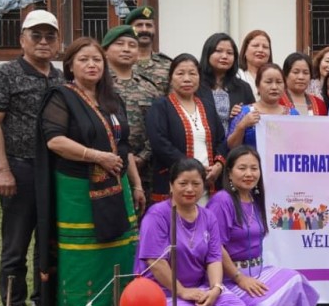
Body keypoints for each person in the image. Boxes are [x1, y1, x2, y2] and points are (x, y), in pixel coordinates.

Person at [37, 38, 143, 306]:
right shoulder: (61, 96)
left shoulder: (112, 99)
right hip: (77, 190)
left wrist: (136, 184)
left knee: (121, 249)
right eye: (84, 59)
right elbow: (55, 141)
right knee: (86, 255)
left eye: (97, 59)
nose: (92, 65)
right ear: (70, 66)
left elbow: (124, 146)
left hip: (118, 184)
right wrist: (96, 156)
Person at [0, 10, 64, 306]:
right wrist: (3, 170)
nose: (43, 41)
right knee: (16, 243)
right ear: (22, 40)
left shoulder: (60, 78)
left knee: (49, 240)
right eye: (36, 35)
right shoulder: (4, 75)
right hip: (20, 167)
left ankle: (42, 302)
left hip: (55, 170)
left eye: (50, 36)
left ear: (58, 42)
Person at [135, 158, 248, 306]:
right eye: (183, 183)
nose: (190, 189)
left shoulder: (208, 217)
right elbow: (154, 262)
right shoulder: (157, 216)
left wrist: (216, 288)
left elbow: (214, 257)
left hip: (198, 287)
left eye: (196, 184)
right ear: (171, 185)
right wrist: (182, 291)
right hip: (161, 293)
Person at [207, 146, 320, 306]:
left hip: (258, 272)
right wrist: (239, 278)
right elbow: (215, 246)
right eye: (242, 168)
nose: (249, 174)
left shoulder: (254, 199)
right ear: (230, 173)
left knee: (297, 280)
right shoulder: (222, 200)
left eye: (254, 168)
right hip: (229, 278)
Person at [146, 54, 227, 202]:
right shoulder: (161, 106)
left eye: (192, 73)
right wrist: (194, 168)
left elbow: (222, 139)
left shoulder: (207, 106)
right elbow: (159, 143)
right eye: (180, 73)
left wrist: (218, 165)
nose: (187, 79)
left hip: (208, 183)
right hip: (174, 183)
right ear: (170, 78)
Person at [104, 24, 161, 204]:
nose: (126, 49)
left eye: (132, 45)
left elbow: (158, 127)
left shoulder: (150, 88)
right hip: (107, 165)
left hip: (145, 168)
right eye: (119, 44)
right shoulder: (98, 85)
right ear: (105, 51)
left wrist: (143, 156)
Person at [197, 33, 255, 128]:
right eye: (219, 51)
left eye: (229, 53)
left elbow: (253, 118)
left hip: (236, 137)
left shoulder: (243, 87)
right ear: (207, 54)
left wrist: (239, 116)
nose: (224, 56)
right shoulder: (196, 85)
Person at [227, 63, 290, 150]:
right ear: (258, 85)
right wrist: (242, 126)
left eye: (279, 82)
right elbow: (231, 147)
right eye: (268, 82)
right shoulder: (244, 113)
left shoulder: (292, 114)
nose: (274, 87)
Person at [125, 6, 172, 94]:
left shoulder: (168, 65)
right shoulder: (119, 62)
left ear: (154, 29)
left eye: (149, 25)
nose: (144, 29)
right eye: (139, 25)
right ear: (129, 29)